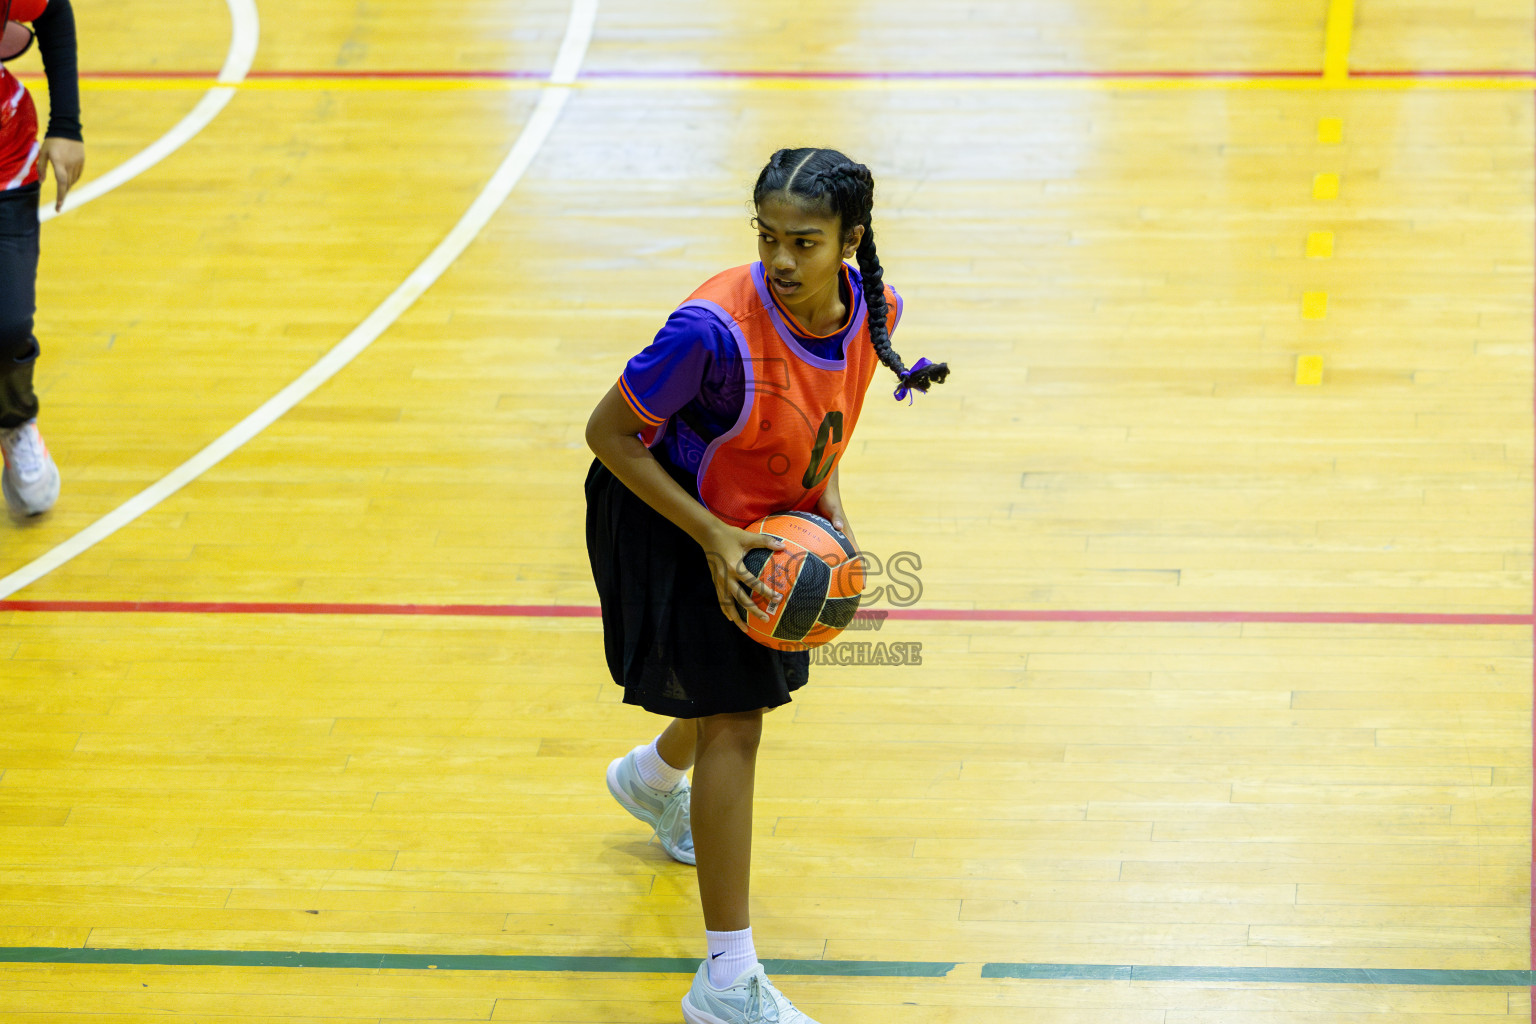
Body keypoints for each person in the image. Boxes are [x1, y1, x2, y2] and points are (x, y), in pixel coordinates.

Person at [584, 147, 948, 1024]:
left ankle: (650, 778)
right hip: (669, 516)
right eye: (768, 238)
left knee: (735, 694)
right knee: (739, 720)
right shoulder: (710, 332)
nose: (782, 261)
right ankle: (725, 981)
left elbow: (827, 417)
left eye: (806, 242)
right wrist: (710, 537)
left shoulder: (876, 312)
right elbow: (607, 435)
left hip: (761, 520)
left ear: (851, 242)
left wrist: (829, 507)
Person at [0, 0, 82, 517]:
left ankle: (14, 420)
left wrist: (67, 125)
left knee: (7, 325)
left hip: (5, 166)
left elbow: (52, 12)